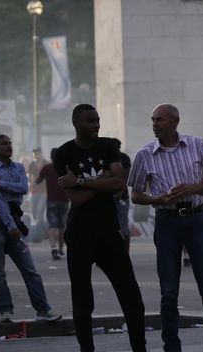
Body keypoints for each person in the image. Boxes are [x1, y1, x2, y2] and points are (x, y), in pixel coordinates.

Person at [129, 104, 203, 352]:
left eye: (160, 120)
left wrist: (191, 188)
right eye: (153, 120)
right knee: (169, 292)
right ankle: (171, 347)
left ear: (175, 122)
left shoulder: (196, 145)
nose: (155, 124)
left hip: (197, 219)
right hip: (167, 222)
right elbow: (136, 195)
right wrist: (157, 199)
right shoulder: (145, 154)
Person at [54, 104, 146, 352]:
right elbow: (77, 199)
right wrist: (103, 179)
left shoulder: (107, 146)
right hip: (80, 233)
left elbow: (119, 183)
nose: (96, 125)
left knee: (131, 297)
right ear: (76, 124)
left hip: (108, 231)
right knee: (83, 300)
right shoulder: (63, 153)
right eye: (90, 121)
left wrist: (80, 180)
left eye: (97, 120)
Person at [0, 134, 62, 323]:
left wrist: (0, 184)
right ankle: (6, 311)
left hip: (15, 222)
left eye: (9, 143)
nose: (8, 146)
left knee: (30, 270)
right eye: (4, 144)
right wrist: (11, 226)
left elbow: (23, 188)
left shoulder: (18, 167)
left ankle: (43, 309)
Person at [36, 148, 69, 260]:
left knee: (52, 225)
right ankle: (60, 250)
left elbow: (38, 181)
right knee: (62, 226)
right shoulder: (65, 169)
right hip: (64, 201)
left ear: (51, 157)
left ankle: (53, 247)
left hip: (51, 201)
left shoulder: (47, 168)